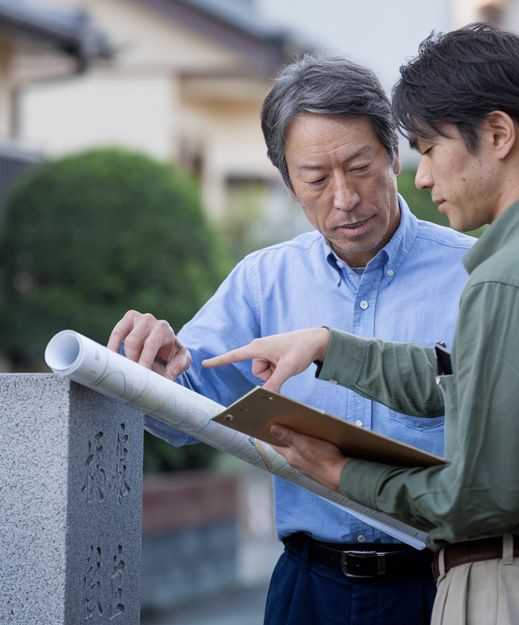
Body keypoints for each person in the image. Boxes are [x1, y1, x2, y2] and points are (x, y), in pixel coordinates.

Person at [203, 24, 519, 625]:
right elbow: (461, 383)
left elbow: (484, 497)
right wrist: (327, 346)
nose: (423, 176)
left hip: (506, 587)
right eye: (315, 179)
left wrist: (340, 472)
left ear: (497, 134)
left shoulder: (504, 275)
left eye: (430, 148)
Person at [108, 54, 474, 625]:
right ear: (287, 182)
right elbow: (186, 404)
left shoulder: (475, 275)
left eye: (359, 166)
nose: (345, 198)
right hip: (308, 587)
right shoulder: (261, 281)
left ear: (394, 155)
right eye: (316, 179)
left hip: (438, 584)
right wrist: (154, 367)